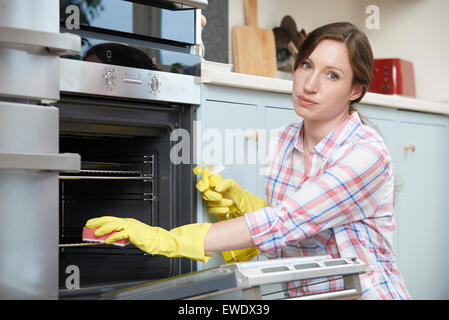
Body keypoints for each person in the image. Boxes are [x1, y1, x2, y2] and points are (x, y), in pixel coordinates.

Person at [85, 22, 410, 300]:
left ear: (356, 90)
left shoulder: (366, 153)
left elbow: (286, 221)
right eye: (307, 66)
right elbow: (297, 224)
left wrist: (170, 239)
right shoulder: (284, 140)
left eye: (333, 76)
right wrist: (242, 203)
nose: (310, 85)